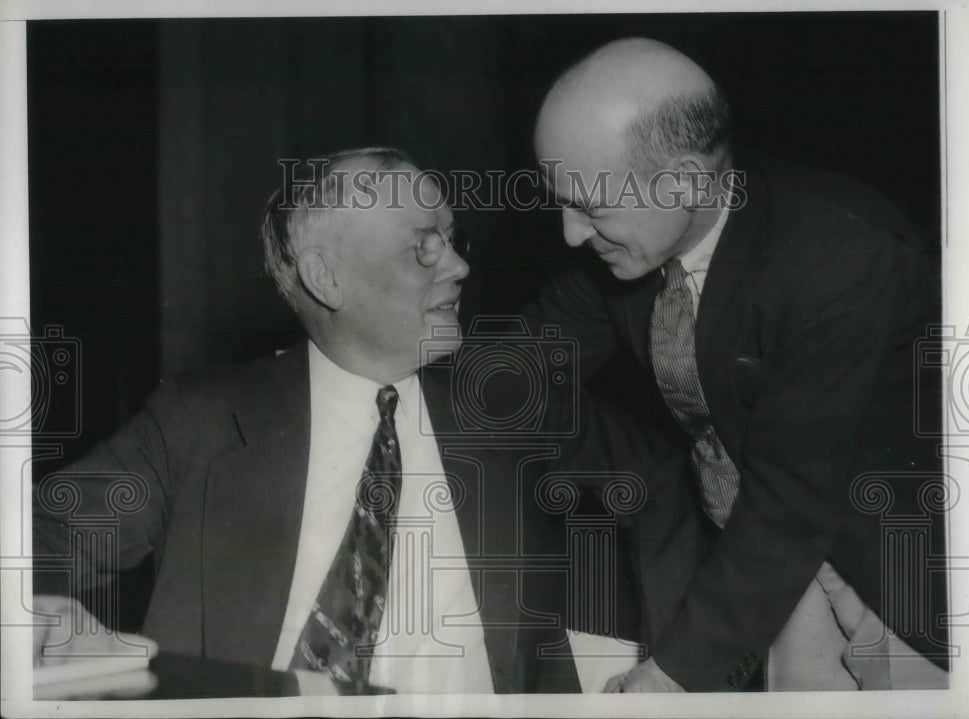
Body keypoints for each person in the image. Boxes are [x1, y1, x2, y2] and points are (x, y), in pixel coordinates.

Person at [32, 147, 701, 695]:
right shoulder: (203, 420)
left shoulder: (504, 401)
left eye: (454, 240)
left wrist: (674, 668)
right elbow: (43, 532)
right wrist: (45, 616)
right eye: (423, 247)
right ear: (327, 278)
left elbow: (671, 476)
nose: (462, 266)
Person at [525, 37, 948, 692]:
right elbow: (530, 355)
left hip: (900, 570)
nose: (570, 234)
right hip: (773, 560)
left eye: (590, 206)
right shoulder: (627, 248)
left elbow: (790, 506)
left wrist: (671, 674)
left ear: (691, 179)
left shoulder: (839, 259)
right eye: (560, 200)